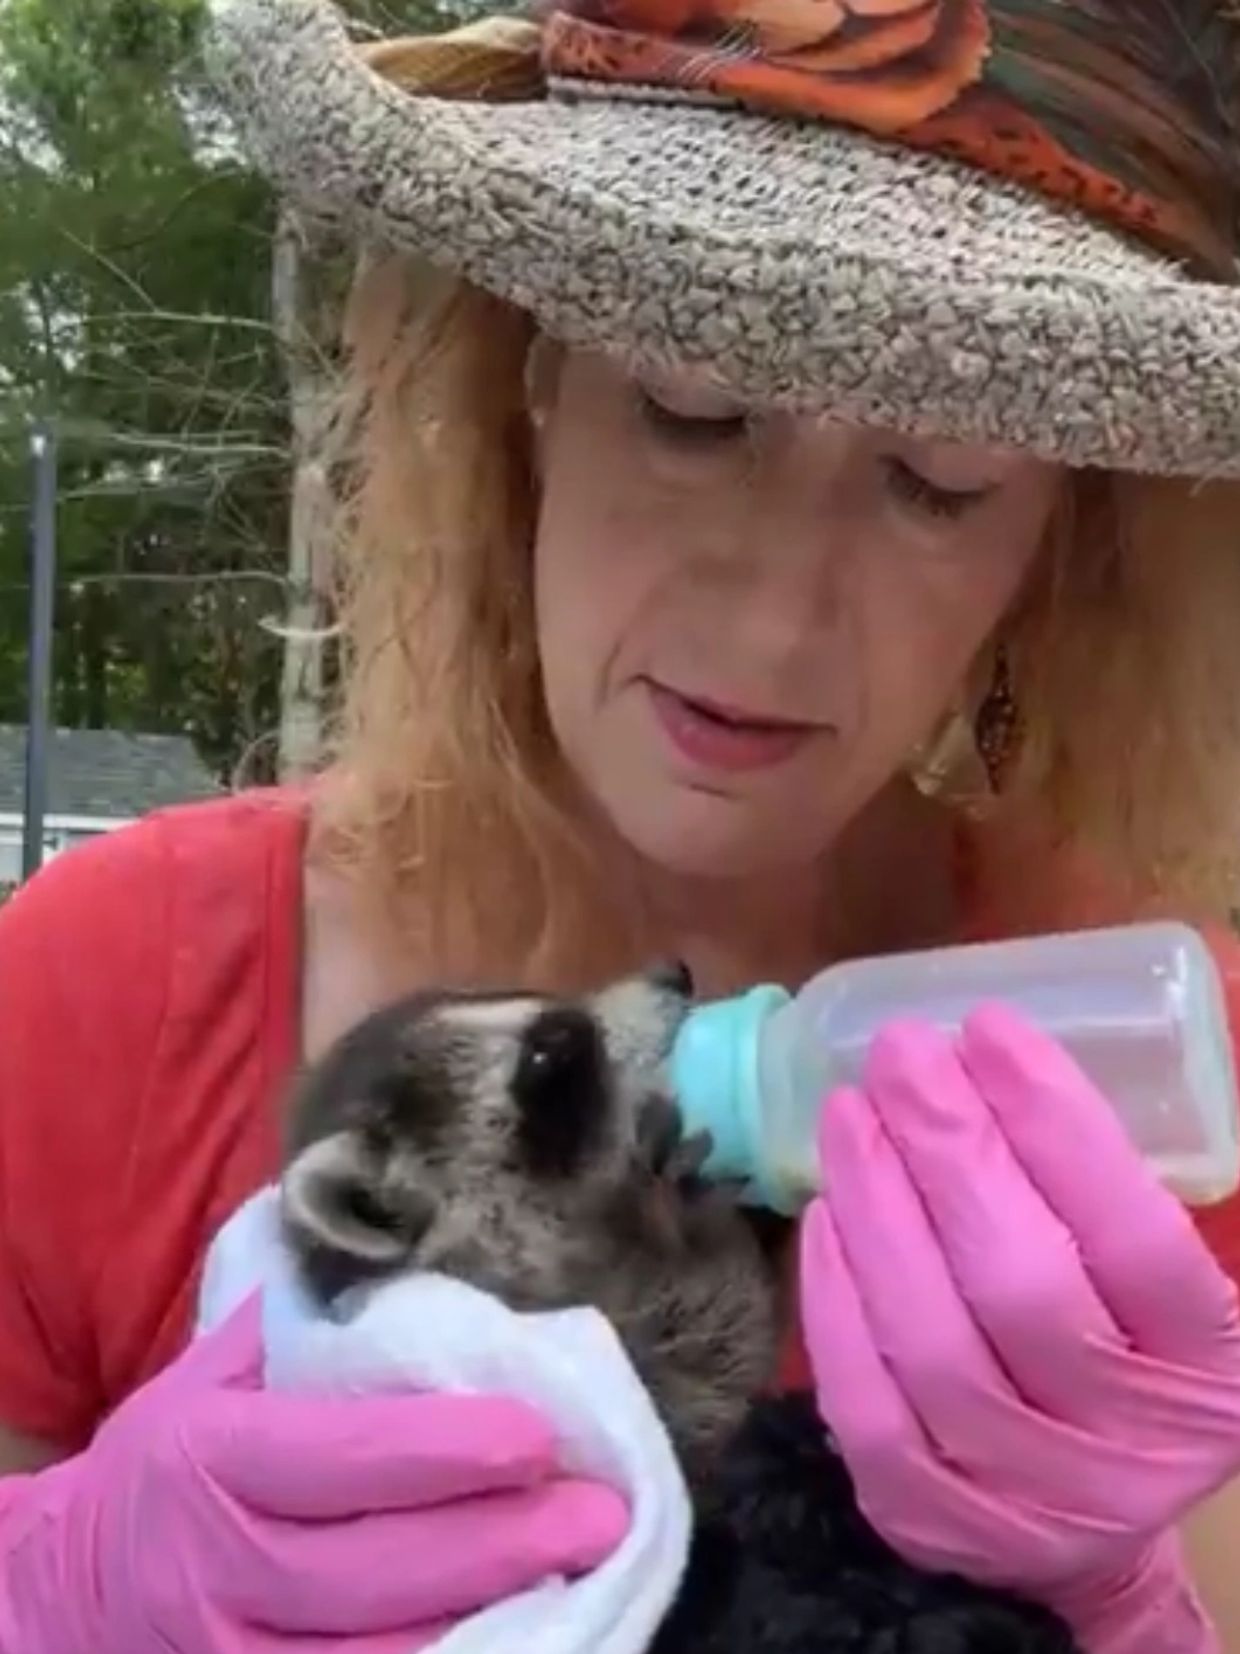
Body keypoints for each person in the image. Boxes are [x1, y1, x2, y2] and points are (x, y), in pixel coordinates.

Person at [3, 0, 1240, 1647]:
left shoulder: (1151, 1065)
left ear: (1061, 548)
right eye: (693, 412)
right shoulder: (96, 993)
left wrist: (1128, 1599)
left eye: (939, 482)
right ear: (533, 382)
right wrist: (66, 1570)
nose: (775, 619)